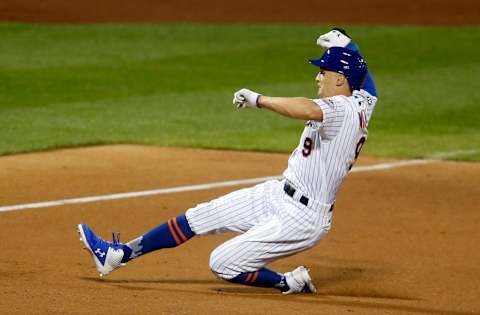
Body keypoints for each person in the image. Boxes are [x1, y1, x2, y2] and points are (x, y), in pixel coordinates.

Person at [77, 28, 378, 294]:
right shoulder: (362, 102)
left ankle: (288, 282)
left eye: (323, 72)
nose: (317, 76)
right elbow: (368, 83)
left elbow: (309, 109)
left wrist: (260, 100)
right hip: (278, 193)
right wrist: (350, 46)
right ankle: (118, 255)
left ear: (340, 79)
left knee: (221, 263)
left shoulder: (341, 109)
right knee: (200, 216)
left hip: (301, 219)